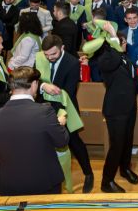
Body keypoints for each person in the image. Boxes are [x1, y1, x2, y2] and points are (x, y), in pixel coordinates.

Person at [0, 66, 69, 196]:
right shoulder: (44, 112)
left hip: (8, 183)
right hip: (44, 182)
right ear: (34, 84)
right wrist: (59, 124)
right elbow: (61, 142)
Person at [39, 35, 94, 193]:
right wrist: (43, 85)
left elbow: (69, 92)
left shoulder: (71, 63)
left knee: (74, 142)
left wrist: (60, 116)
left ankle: (88, 174)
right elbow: (34, 80)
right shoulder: (41, 58)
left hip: (66, 108)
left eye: (53, 54)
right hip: (44, 109)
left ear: (62, 48)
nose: (49, 58)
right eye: (46, 55)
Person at [96, 27, 138, 193]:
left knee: (127, 141)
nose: (126, 44)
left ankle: (124, 169)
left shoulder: (126, 58)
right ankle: (106, 181)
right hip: (115, 110)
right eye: (123, 42)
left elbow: (135, 78)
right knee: (117, 145)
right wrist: (114, 38)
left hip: (129, 108)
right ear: (114, 44)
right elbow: (112, 62)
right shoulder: (106, 59)